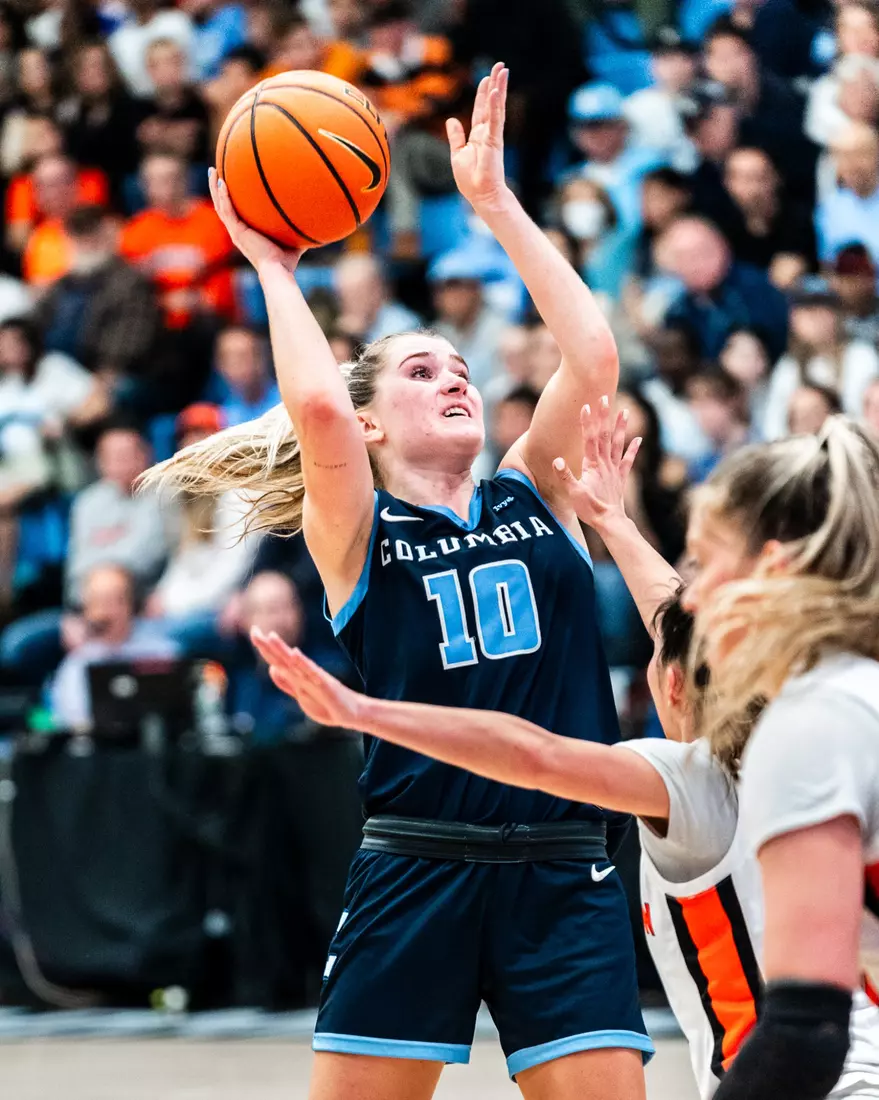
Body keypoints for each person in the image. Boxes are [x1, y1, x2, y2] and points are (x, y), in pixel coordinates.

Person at [146, 63, 652, 1100]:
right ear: (373, 421)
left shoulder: (532, 496)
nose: (455, 378)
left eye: (459, 367)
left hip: (563, 862)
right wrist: (272, 266)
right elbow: (320, 414)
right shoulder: (359, 530)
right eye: (422, 372)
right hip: (416, 861)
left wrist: (498, 206)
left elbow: (592, 355)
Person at [251, 400, 879, 1100]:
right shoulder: (849, 702)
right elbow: (680, 626)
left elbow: (536, 755)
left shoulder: (717, 774)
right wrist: (610, 520)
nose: (689, 592)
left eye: (704, 563)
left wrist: (366, 712)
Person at [674, 417, 879, 1100]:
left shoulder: (813, 722)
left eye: (705, 564)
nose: (691, 596)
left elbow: (804, 1032)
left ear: (774, 569)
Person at [51, 563, 178, 732]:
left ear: (131, 604)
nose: (104, 612)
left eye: (113, 601)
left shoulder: (163, 654)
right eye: (97, 602)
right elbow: (72, 725)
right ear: (86, 609)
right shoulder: (75, 666)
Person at [761, 275, 879, 440]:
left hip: (854, 446)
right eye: (805, 309)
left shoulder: (860, 355)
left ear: (837, 314)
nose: (813, 317)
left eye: (821, 308)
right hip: (803, 452)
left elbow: (866, 415)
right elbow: (773, 428)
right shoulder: (789, 365)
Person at [657, 216, 789, 361]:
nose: (695, 264)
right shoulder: (678, 309)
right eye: (684, 257)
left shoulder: (756, 288)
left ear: (722, 246)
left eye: (702, 252)